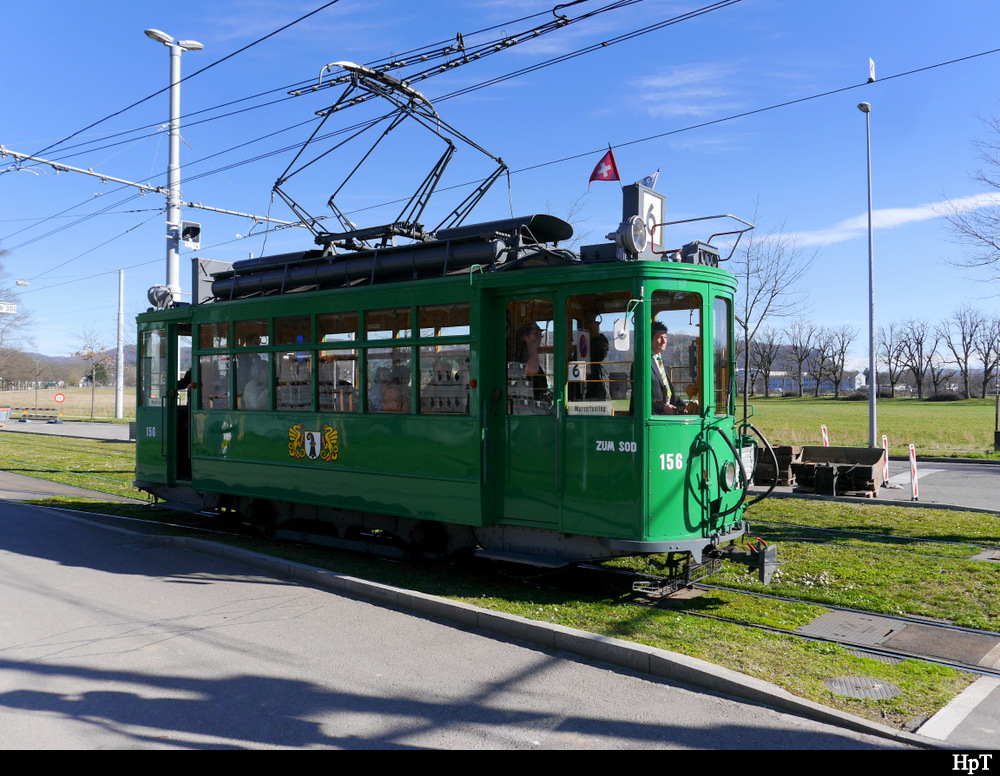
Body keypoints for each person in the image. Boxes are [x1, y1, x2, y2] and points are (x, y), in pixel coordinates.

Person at [649, 321, 686, 415]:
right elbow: (640, 395)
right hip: (652, 417)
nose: (664, 341)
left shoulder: (660, 362)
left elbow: (668, 393)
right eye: (659, 338)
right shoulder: (642, 363)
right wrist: (663, 407)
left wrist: (684, 405)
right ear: (650, 339)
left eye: (665, 337)